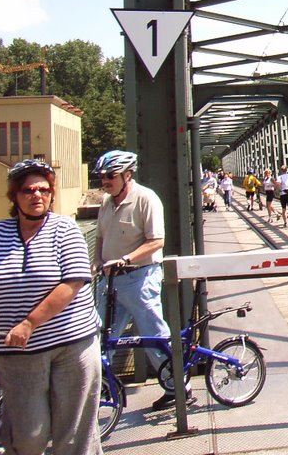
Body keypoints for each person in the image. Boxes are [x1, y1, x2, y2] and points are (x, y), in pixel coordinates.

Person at [0, 159, 104, 455]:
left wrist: (29, 323)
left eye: (43, 189)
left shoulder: (65, 229)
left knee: (75, 435)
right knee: (28, 436)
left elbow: (73, 282)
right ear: (15, 196)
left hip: (71, 344)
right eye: (28, 190)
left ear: (52, 194)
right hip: (17, 351)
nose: (37, 195)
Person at [91, 149, 192, 411]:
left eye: (110, 176)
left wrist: (126, 258)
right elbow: (101, 236)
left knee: (153, 334)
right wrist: (97, 260)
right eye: (102, 176)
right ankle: (94, 389)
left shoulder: (146, 198)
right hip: (110, 281)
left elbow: (157, 240)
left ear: (127, 175)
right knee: (99, 334)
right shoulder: (106, 202)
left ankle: (178, 387)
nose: (105, 181)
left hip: (140, 276)